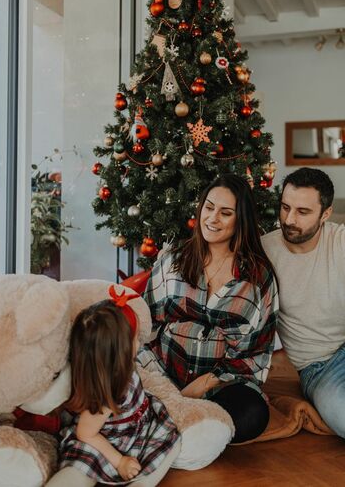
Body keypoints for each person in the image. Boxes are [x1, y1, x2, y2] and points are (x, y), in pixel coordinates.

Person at [140, 174, 279, 443]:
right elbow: (147, 324)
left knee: (252, 415)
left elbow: (256, 351)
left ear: (241, 220)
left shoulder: (258, 277)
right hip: (162, 371)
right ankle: (187, 427)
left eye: (225, 213)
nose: (212, 218)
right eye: (209, 207)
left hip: (220, 384)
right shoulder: (173, 258)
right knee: (122, 391)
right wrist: (158, 382)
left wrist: (205, 383)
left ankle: (170, 425)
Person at [58, 286, 180, 486]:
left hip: (138, 431)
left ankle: (142, 483)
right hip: (105, 442)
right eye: (134, 339)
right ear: (120, 352)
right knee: (81, 464)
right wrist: (119, 461)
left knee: (171, 440)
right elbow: (86, 433)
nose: (139, 344)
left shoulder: (121, 368)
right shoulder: (107, 393)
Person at [261, 167, 345, 439]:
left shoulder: (340, 241)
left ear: (326, 214)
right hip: (318, 367)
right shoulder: (264, 251)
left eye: (303, 212)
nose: (289, 220)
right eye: (285, 207)